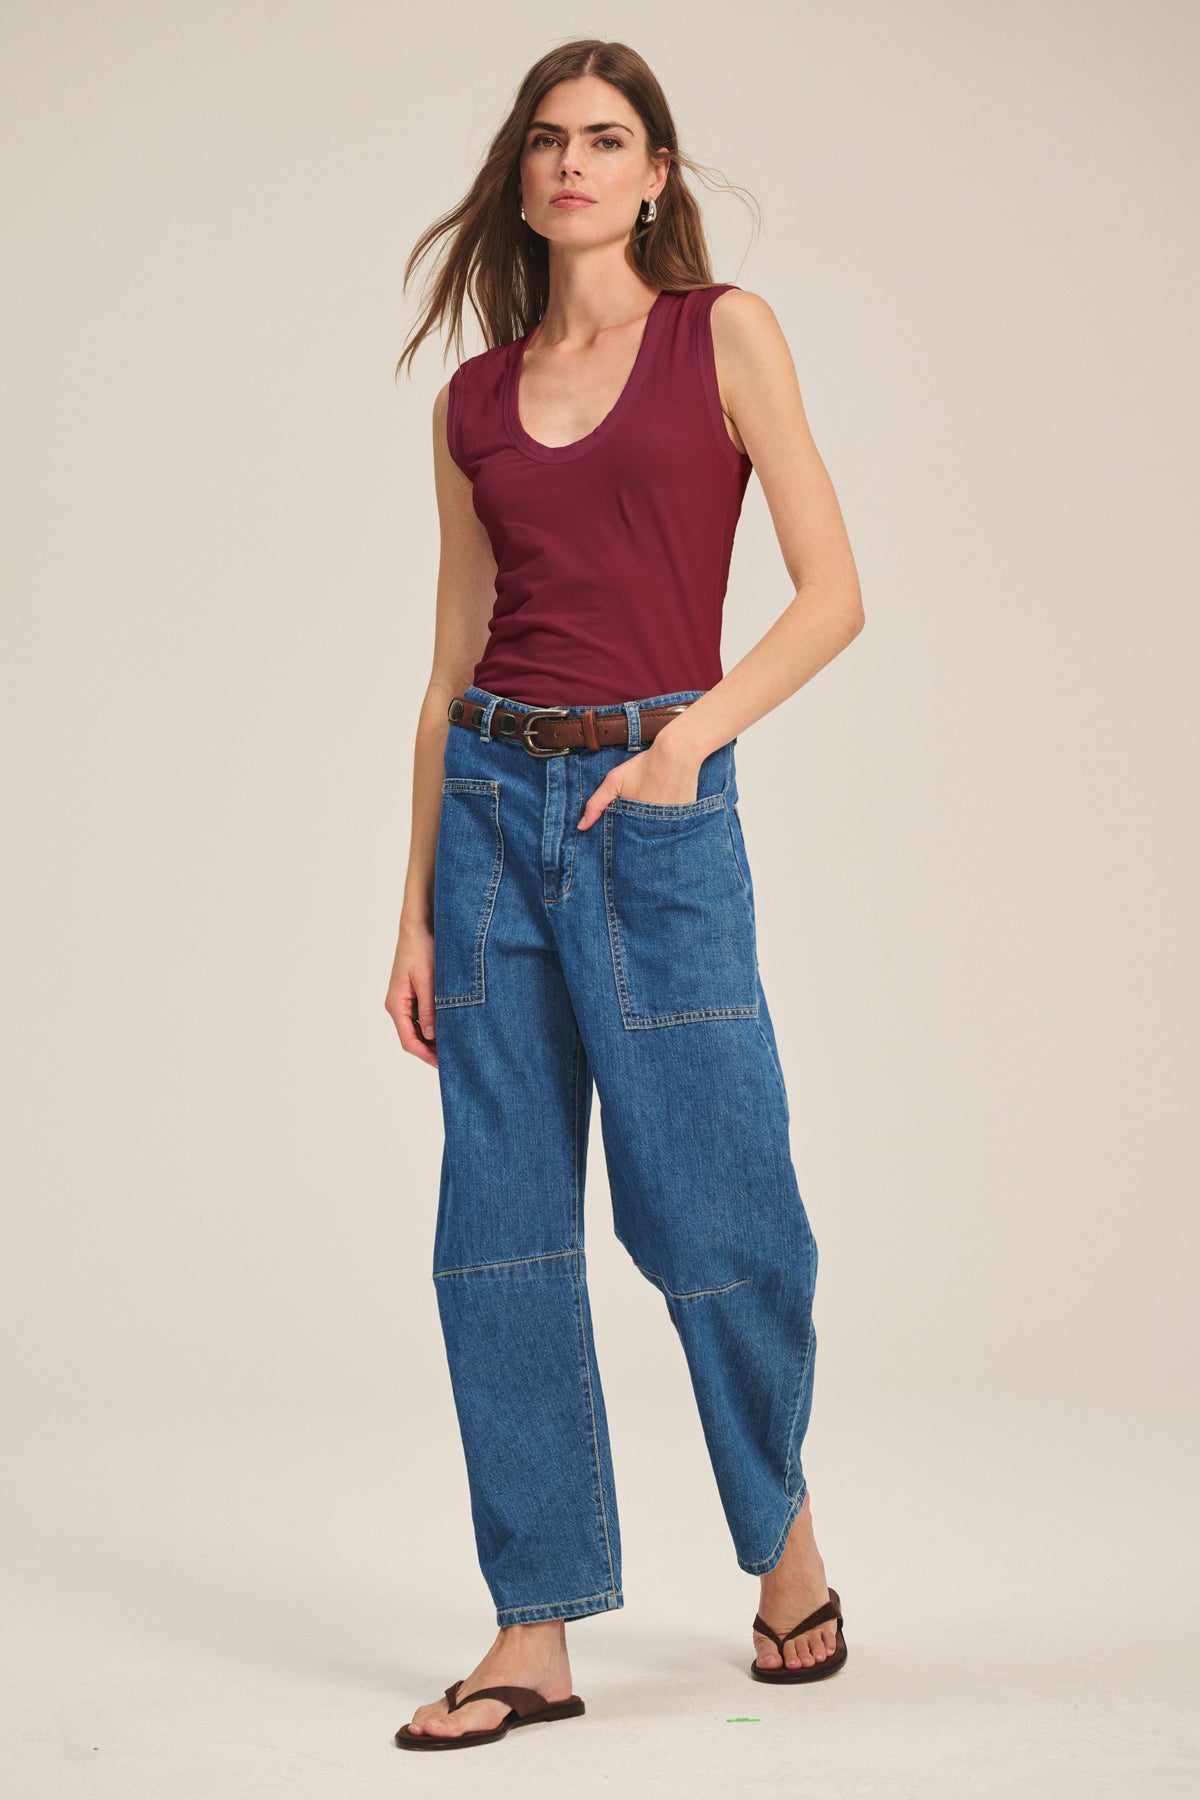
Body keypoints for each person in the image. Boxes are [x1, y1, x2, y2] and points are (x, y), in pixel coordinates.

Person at [386, 39, 864, 1751]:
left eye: (608, 138)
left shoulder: (721, 333)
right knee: (494, 1233)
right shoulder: (472, 399)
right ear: (521, 177)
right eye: (548, 140)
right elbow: (448, 668)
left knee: (713, 1209)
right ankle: (535, 1633)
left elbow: (831, 593)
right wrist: (417, 910)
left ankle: (784, 1549)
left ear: (657, 170)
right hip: (495, 812)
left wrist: (687, 750)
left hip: (651, 806)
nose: (574, 163)